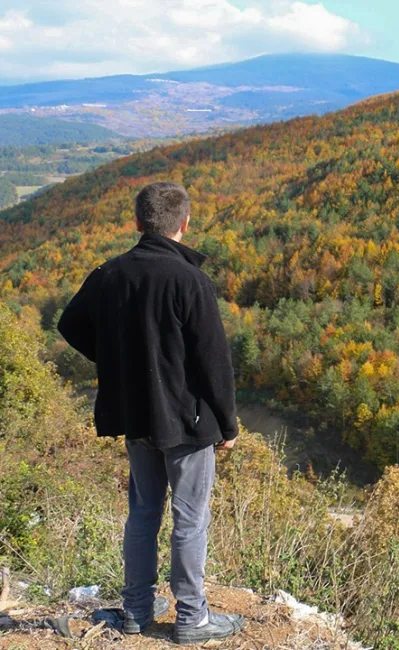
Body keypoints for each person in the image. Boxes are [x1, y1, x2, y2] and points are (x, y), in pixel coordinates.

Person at [58, 182, 244, 644]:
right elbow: (213, 361)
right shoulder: (191, 281)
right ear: (185, 224)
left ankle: (137, 611)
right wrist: (228, 423)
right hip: (187, 421)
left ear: (138, 223)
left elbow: (70, 324)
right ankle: (191, 619)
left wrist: (116, 360)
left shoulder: (111, 274)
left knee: (142, 513)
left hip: (135, 414)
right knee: (189, 517)